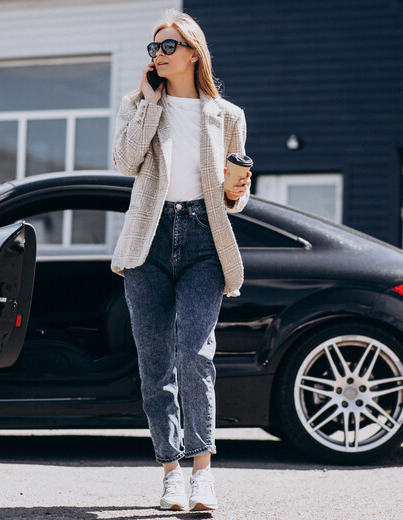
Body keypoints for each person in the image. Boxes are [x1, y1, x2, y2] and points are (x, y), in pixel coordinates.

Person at [110, 9, 251, 512]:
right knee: (155, 365)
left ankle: (202, 473)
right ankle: (170, 472)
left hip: (203, 241)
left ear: (193, 52)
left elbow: (234, 199)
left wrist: (237, 189)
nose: (159, 55)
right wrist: (149, 104)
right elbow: (126, 162)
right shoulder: (136, 104)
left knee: (196, 353)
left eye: (168, 46)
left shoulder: (227, 115)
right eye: (154, 48)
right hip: (147, 241)